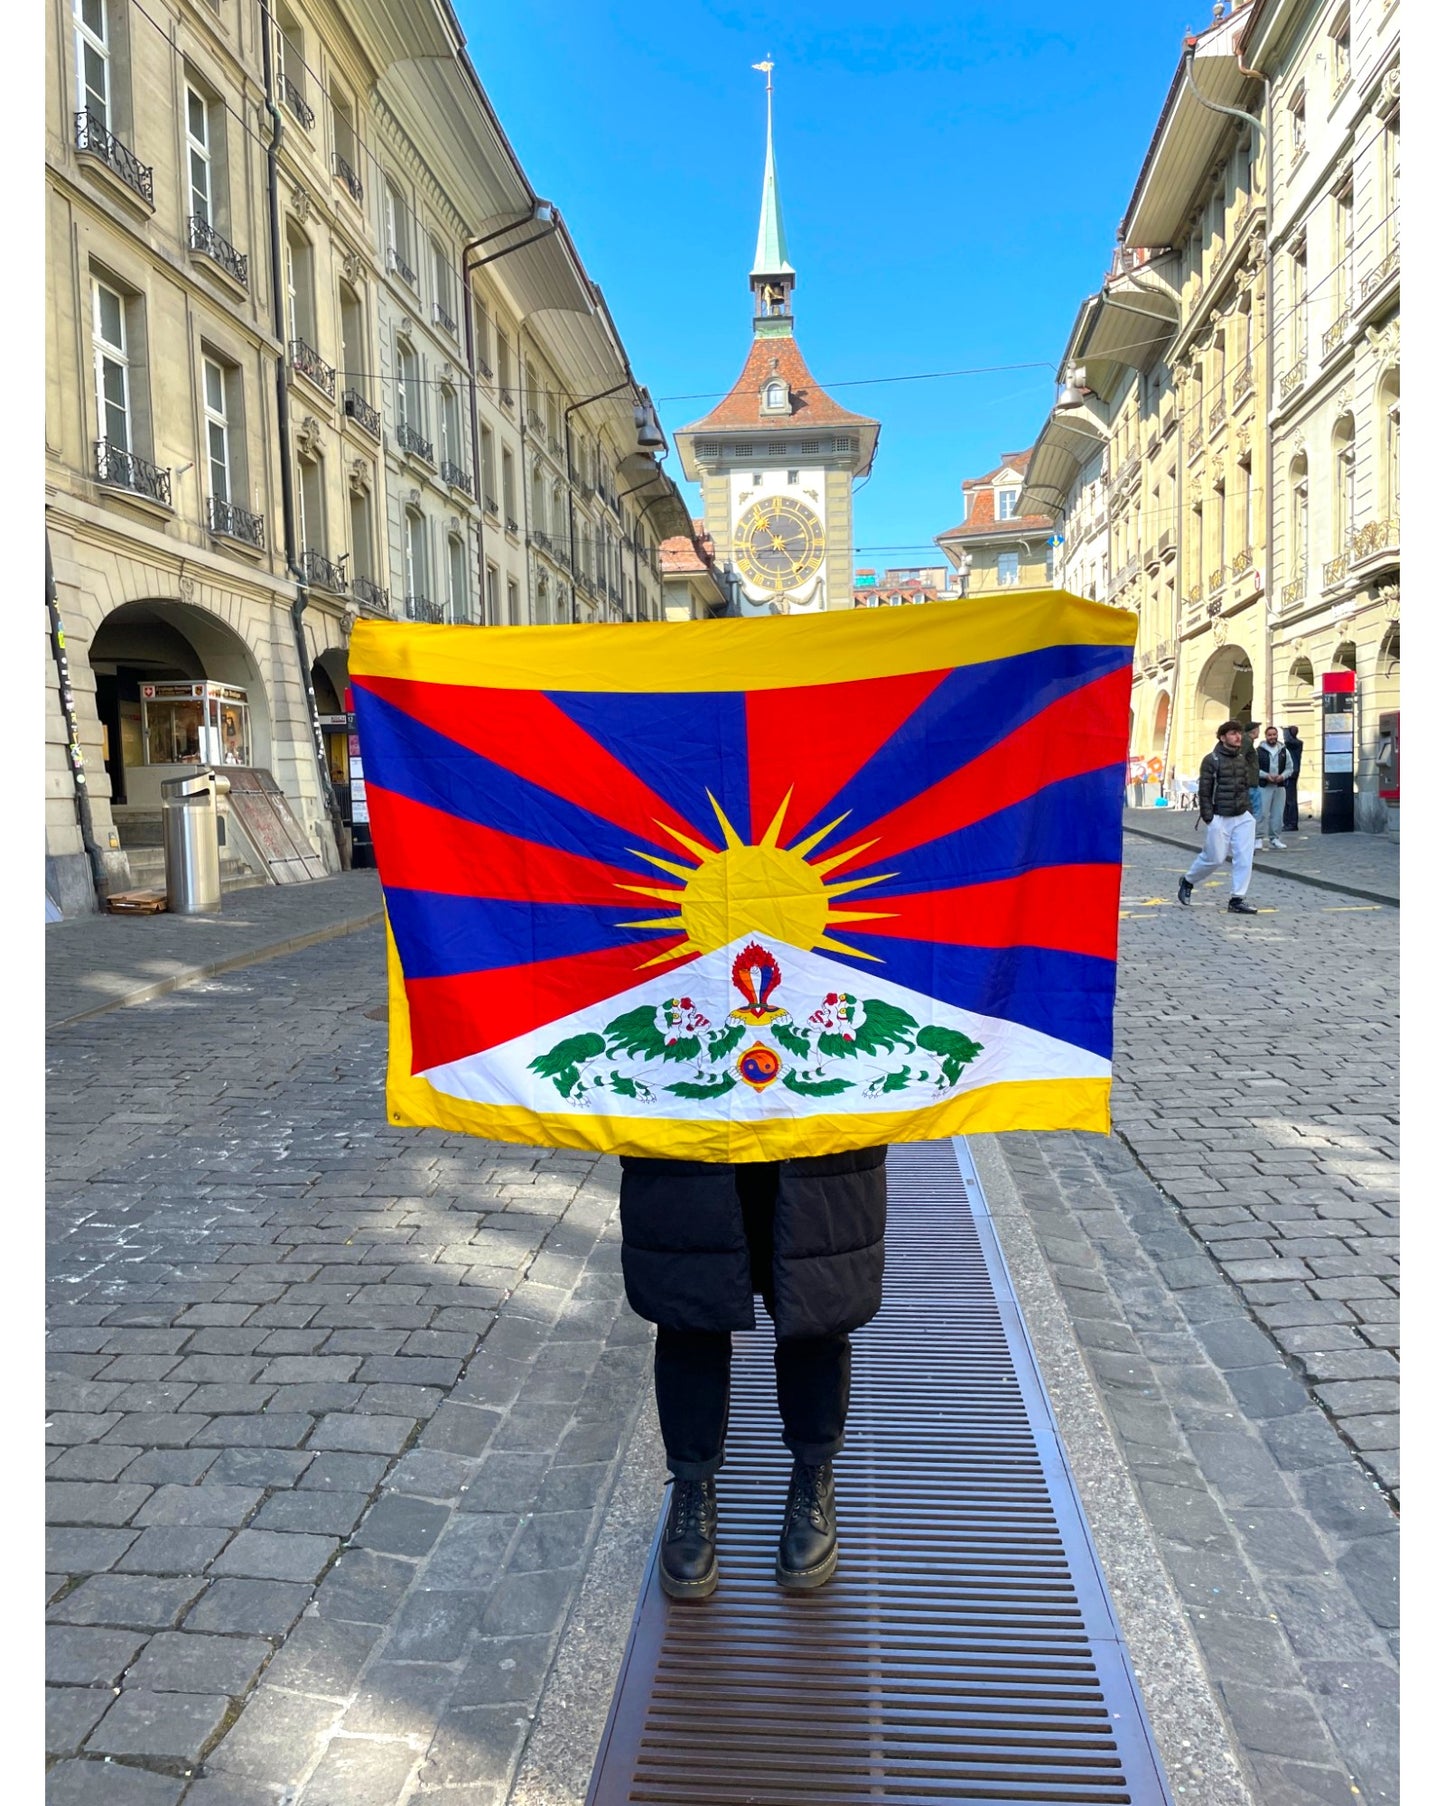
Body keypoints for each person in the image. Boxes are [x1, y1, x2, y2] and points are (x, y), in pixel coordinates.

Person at [618, 1148, 887, 1599]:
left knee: (817, 1304)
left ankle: (814, 1473)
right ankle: (692, 1481)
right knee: (689, 1307)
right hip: (687, 1123)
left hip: (816, 1127)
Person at [1177, 719, 1259, 914]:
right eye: (1232, 733)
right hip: (1220, 816)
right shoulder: (1211, 760)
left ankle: (1237, 899)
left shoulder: (1241, 759)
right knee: (1214, 858)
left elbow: (1245, 786)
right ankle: (1188, 881)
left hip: (1242, 815)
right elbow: (1204, 791)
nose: (1238, 736)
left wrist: (1248, 811)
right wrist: (1209, 818)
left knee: (1244, 857)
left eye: (1239, 733)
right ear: (1223, 738)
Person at [1256, 725, 1293, 848]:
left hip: (1279, 785)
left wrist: (1282, 776)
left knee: (1277, 813)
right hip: (1264, 785)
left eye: (1274, 734)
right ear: (1266, 736)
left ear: (1277, 735)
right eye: (1270, 735)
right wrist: (1266, 776)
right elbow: (1254, 769)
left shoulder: (1284, 751)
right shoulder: (1259, 751)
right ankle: (1258, 838)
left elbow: (1290, 768)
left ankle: (1275, 838)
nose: (1272, 737)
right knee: (1262, 813)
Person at [1281, 725, 1304, 831]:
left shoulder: (1293, 743)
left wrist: (1285, 731)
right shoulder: (1295, 743)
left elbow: (1288, 741)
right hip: (1292, 773)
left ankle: (1291, 823)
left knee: (1290, 800)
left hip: (1291, 773)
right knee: (1289, 799)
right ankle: (1289, 822)